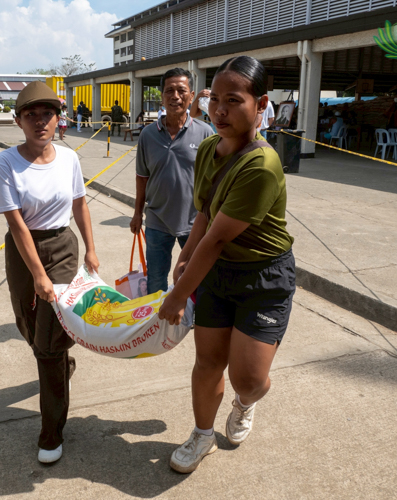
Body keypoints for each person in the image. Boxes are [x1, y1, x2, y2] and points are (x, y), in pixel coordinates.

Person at [158, 55, 295, 474]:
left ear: (261, 104)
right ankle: (202, 435)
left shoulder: (262, 164)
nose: (219, 109)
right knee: (207, 361)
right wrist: (184, 260)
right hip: (219, 275)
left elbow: (217, 239)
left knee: (248, 378)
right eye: (214, 98)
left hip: (264, 276)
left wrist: (176, 297)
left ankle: (245, 403)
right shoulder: (205, 149)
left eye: (233, 100)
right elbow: (204, 214)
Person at [0, 82, 100, 464]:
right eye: (31, 115)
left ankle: (51, 430)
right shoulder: (6, 162)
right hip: (23, 252)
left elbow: (80, 204)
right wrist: (36, 275)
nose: (40, 122)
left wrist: (91, 248)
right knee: (27, 321)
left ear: (58, 119)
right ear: (18, 120)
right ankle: (60, 362)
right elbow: (17, 224)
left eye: (47, 114)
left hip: (62, 249)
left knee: (49, 343)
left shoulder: (69, 159)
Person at [130, 68, 213, 293]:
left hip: (194, 222)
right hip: (157, 220)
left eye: (181, 90)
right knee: (156, 280)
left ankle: (196, 320)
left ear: (192, 95)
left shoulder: (205, 134)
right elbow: (142, 177)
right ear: (162, 96)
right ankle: (157, 326)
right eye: (169, 91)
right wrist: (138, 212)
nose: (175, 96)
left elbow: (213, 181)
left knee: (197, 278)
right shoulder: (148, 135)